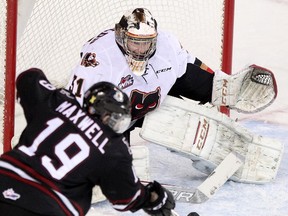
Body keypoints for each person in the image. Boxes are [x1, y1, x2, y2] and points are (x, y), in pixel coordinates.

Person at [66, 8, 276, 141]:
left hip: (149, 96)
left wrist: (222, 85)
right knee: (113, 159)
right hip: (117, 118)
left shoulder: (166, 44)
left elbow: (191, 65)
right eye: (134, 42)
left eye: (146, 42)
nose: (140, 49)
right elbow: (78, 104)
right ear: (121, 37)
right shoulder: (100, 56)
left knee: (197, 81)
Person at [0, 68, 175, 216]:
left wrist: (56, 94)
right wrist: (153, 198)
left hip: (5, 178)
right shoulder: (114, 147)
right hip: (49, 206)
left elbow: (29, 77)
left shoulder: (56, 104)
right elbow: (125, 199)